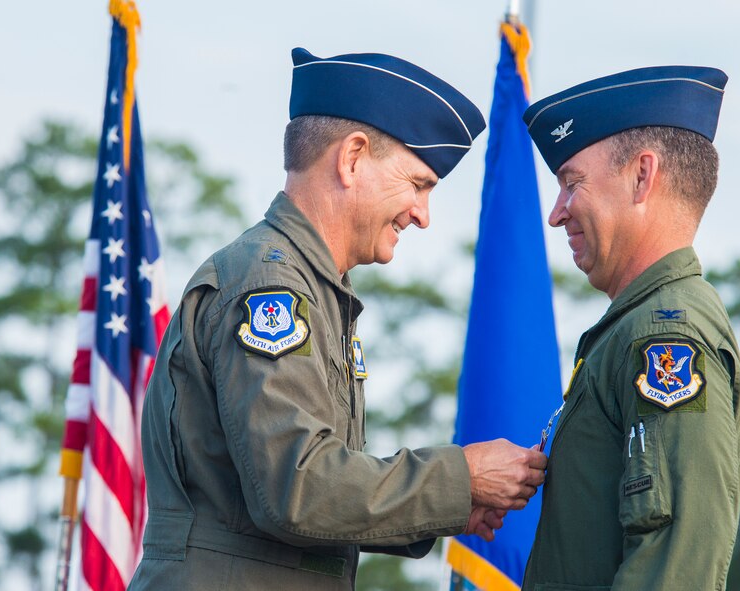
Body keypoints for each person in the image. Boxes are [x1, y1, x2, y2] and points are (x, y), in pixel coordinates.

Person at [129, 47, 548, 591]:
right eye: (419, 184)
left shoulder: (312, 288)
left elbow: (290, 498)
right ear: (351, 158)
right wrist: (460, 477)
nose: (423, 214)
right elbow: (295, 487)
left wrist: (447, 504)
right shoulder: (270, 286)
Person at [520, 66, 740, 590]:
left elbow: (675, 564)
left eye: (571, 183)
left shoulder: (666, 337)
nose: (556, 214)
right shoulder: (638, 326)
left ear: (643, 176)